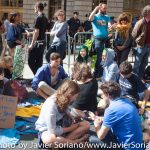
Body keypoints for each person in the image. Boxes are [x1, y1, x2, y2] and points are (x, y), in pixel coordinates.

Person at [89, 81, 143, 150]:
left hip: (125, 147)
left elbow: (100, 136)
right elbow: (119, 116)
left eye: (102, 94)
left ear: (108, 95)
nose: (101, 96)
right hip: (138, 144)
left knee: (91, 139)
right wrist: (100, 118)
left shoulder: (111, 110)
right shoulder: (127, 101)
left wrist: (96, 125)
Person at [35, 80, 90, 147]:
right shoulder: (51, 106)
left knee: (86, 124)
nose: (75, 99)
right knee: (51, 139)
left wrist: (72, 118)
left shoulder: (64, 98)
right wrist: (72, 128)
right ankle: (76, 142)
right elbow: (53, 131)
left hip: (62, 124)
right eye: (75, 97)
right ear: (70, 95)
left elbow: (66, 110)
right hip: (47, 129)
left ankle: (64, 143)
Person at [89, 3, 110, 78]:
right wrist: (95, 9)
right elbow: (90, 18)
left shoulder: (107, 17)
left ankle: (102, 72)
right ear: (100, 8)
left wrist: (112, 27)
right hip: (98, 39)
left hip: (106, 39)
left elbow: (109, 26)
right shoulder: (95, 17)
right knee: (98, 57)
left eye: (106, 8)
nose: (105, 10)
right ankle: (97, 73)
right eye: (104, 8)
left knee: (106, 56)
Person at [28, 2, 48, 75]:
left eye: (34, 8)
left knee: (30, 61)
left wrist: (32, 44)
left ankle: (37, 76)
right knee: (39, 61)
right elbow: (46, 30)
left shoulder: (38, 17)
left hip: (37, 43)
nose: (34, 10)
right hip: (43, 42)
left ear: (37, 8)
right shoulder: (45, 18)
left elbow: (36, 32)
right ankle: (38, 76)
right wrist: (31, 34)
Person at [132, 5, 150, 78]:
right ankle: (135, 78)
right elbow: (133, 34)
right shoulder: (140, 22)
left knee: (145, 63)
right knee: (137, 64)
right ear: (147, 13)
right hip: (141, 46)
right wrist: (138, 40)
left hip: (148, 45)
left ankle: (140, 77)